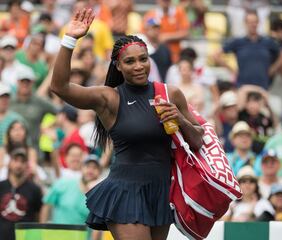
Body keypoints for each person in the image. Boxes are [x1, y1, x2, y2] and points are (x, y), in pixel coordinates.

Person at [50, 8, 203, 240]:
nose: (139, 66)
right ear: (118, 66)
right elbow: (60, 87)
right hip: (125, 191)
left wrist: (180, 119)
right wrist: (70, 39)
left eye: (143, 59)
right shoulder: (109, 98)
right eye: (130, 61)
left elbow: (198, 140)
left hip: (161, 190)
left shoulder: (170, 94)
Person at [0, 147, 43, 240]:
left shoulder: (34, 189)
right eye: (15, 160)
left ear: (26, 165)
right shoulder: (1, 186)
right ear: (9, 163)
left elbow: (39, 216)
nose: (18, 165)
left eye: (22, 161)